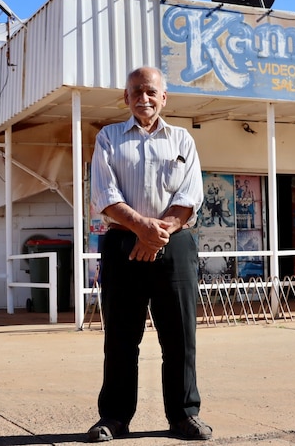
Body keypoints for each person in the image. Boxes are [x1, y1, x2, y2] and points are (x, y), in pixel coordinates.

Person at [88, 66, 212, 442]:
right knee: (122, 338)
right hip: (122, 245)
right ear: (126, 98)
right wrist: (142, 229)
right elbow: (104, 196)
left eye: (151, 92)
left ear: (163, 97)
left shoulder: (182, 140)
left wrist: (156, 234)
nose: (144, 98)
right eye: (136, 92)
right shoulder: (108, 138)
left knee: (179, 337)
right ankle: (114, 418)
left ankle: (183, 416)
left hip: (175, 245)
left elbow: (190, 197)